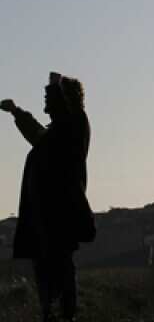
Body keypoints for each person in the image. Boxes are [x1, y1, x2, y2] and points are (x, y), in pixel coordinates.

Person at [3, 73, 95, 322]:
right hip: (44, 219)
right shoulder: (57, 135)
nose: (45, 99)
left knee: (58, 272)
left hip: (59, 217)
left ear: (64, 100)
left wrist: (56, 86)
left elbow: (60, 117)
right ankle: (52, 315)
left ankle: (63, 316)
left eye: (50, 96)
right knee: (46, 274)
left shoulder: (73, 127)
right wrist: (15, 112)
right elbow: (36, 133)